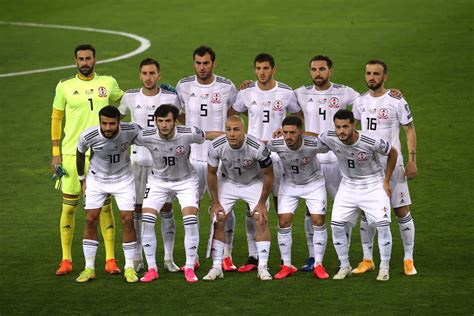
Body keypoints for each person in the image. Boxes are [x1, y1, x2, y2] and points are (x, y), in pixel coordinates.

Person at [51, 44, 123, 276]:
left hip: (102, 153)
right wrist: (55, 153)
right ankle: (66, 259)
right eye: (81, 59)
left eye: (88, 58)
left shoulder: (107, 83)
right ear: (75, 61)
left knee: (103, 206)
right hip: (72, 153)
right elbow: (56, 119)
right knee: (69, 206)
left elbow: (125, 103)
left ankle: (110, 259)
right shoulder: (64, 86)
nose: (85, 62)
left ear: (95, 60)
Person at [232, 52, 302, 272]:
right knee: (251, 207)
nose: (261, 72)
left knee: (281, 205)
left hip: (278, 155)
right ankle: (253, 257)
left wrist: (290, 131)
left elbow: (298, 117)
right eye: (258, 68)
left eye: (265, 68)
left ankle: (285, 259)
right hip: (252, 155)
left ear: (274, 69)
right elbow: (233, 115)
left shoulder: (286, 92)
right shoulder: (246, 92)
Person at [135, 104, 221, 283]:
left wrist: (238, 136)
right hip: (158, 182)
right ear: (155, 122)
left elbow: (210, 135)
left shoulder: (188, 133)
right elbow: (123, 137)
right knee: (148, 221)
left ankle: (189, 268)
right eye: (160, 121)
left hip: (186, 181)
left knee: (190, 221)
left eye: (168, 121)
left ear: (175, 121)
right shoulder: (146, 135)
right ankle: (152, 269)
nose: (164, 125)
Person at [175, 45, 239, 272]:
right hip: (191, 159)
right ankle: (193, 257)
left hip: (221, 158)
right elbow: (176, 115)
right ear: (194, 63)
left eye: (206, 63)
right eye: (198, 63)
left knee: (224, 208)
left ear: (214, 63)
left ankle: (225, 255)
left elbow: (235, 114)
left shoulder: (226, 86)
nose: (202, 67)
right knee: (193, 208)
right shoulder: (183, 86)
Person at [293, 55, 359, 271]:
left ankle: (344, 255)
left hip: (338, 160)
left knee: (344, 208)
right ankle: (313, 257)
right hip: (311, 160)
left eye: (322, 69)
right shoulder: (300, 93)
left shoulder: (343, 91)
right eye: (313, 69)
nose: (317, 73)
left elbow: (367, 103)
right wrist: (246, 86)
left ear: (330, 70)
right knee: (310, 211)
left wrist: (392, 92)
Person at [352, 60, 418, 276]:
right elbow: (354, 132)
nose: (371, 77)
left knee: (401, 210)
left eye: (376, 74)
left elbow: (409, 130)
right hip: (367, 167)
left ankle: (408, 258)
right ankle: (367, 259)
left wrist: (412, 160)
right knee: (365, 211)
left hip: (394, 164)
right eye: (368, 73)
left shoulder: (396, 100)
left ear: (385, 77)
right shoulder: (359, 102)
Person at [318, 109, 397, 281]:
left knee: (383, 225)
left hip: (373, 185)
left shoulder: (370, 141)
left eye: (345, 126)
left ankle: (384, 267)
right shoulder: (329, 136)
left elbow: (393, 152)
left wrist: (387, 181)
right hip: (348, 185)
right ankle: (344, 265)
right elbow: (311, 139)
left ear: (354, 125)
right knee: (337, 225)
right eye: (338, 127)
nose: (341, 131)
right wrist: (296, 133)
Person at [119, 58, 181, 273]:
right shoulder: (130, 96)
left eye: (152, 73)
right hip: (136, 161)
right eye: (144, 73)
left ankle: (168, 258)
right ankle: (137, 257)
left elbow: (180, 125)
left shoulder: (170, 97)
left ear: (159, 75)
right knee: (137, 209)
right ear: (140, 75)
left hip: (163, 163)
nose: (148, 77)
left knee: (165, 208)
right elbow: (115, 122)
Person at [74, 106, 141, 283]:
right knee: (90, 219)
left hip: (123, 179)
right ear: (100, 122)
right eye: (104, 123)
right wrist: (82, 180)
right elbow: (80, 154)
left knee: (127, 219)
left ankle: (129, 267)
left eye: (112, 123)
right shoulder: (89, 135)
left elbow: (148, 138)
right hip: (97, 179)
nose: (108, 127)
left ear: (119, 122)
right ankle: (89, 268)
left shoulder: (131, 130)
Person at [203, 116, 274, 281]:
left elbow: (269, 175)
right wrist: (215, 203)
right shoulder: (216, 146)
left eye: (236, 129)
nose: (232, 134)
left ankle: (262, 267)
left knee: (260, 218)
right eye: (228, 129)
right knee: (218, 218)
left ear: (244, 131)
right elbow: (211, 173)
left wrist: (262, 203)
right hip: (229, 182)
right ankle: (216, 267)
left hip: (254, 182)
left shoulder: (257, 147)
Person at [267, 116, 329, 279]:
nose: (288, 136)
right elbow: (259, 147)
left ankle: (318, 264)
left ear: (301, 132)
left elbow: (328, 141)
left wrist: (307, 134)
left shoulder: (312, 144)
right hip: (289, 184)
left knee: (318, 220)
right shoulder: (276, 144)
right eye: (285, 132)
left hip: (314, 184)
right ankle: (287, 265)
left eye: (293, 132)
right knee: (283, 221)